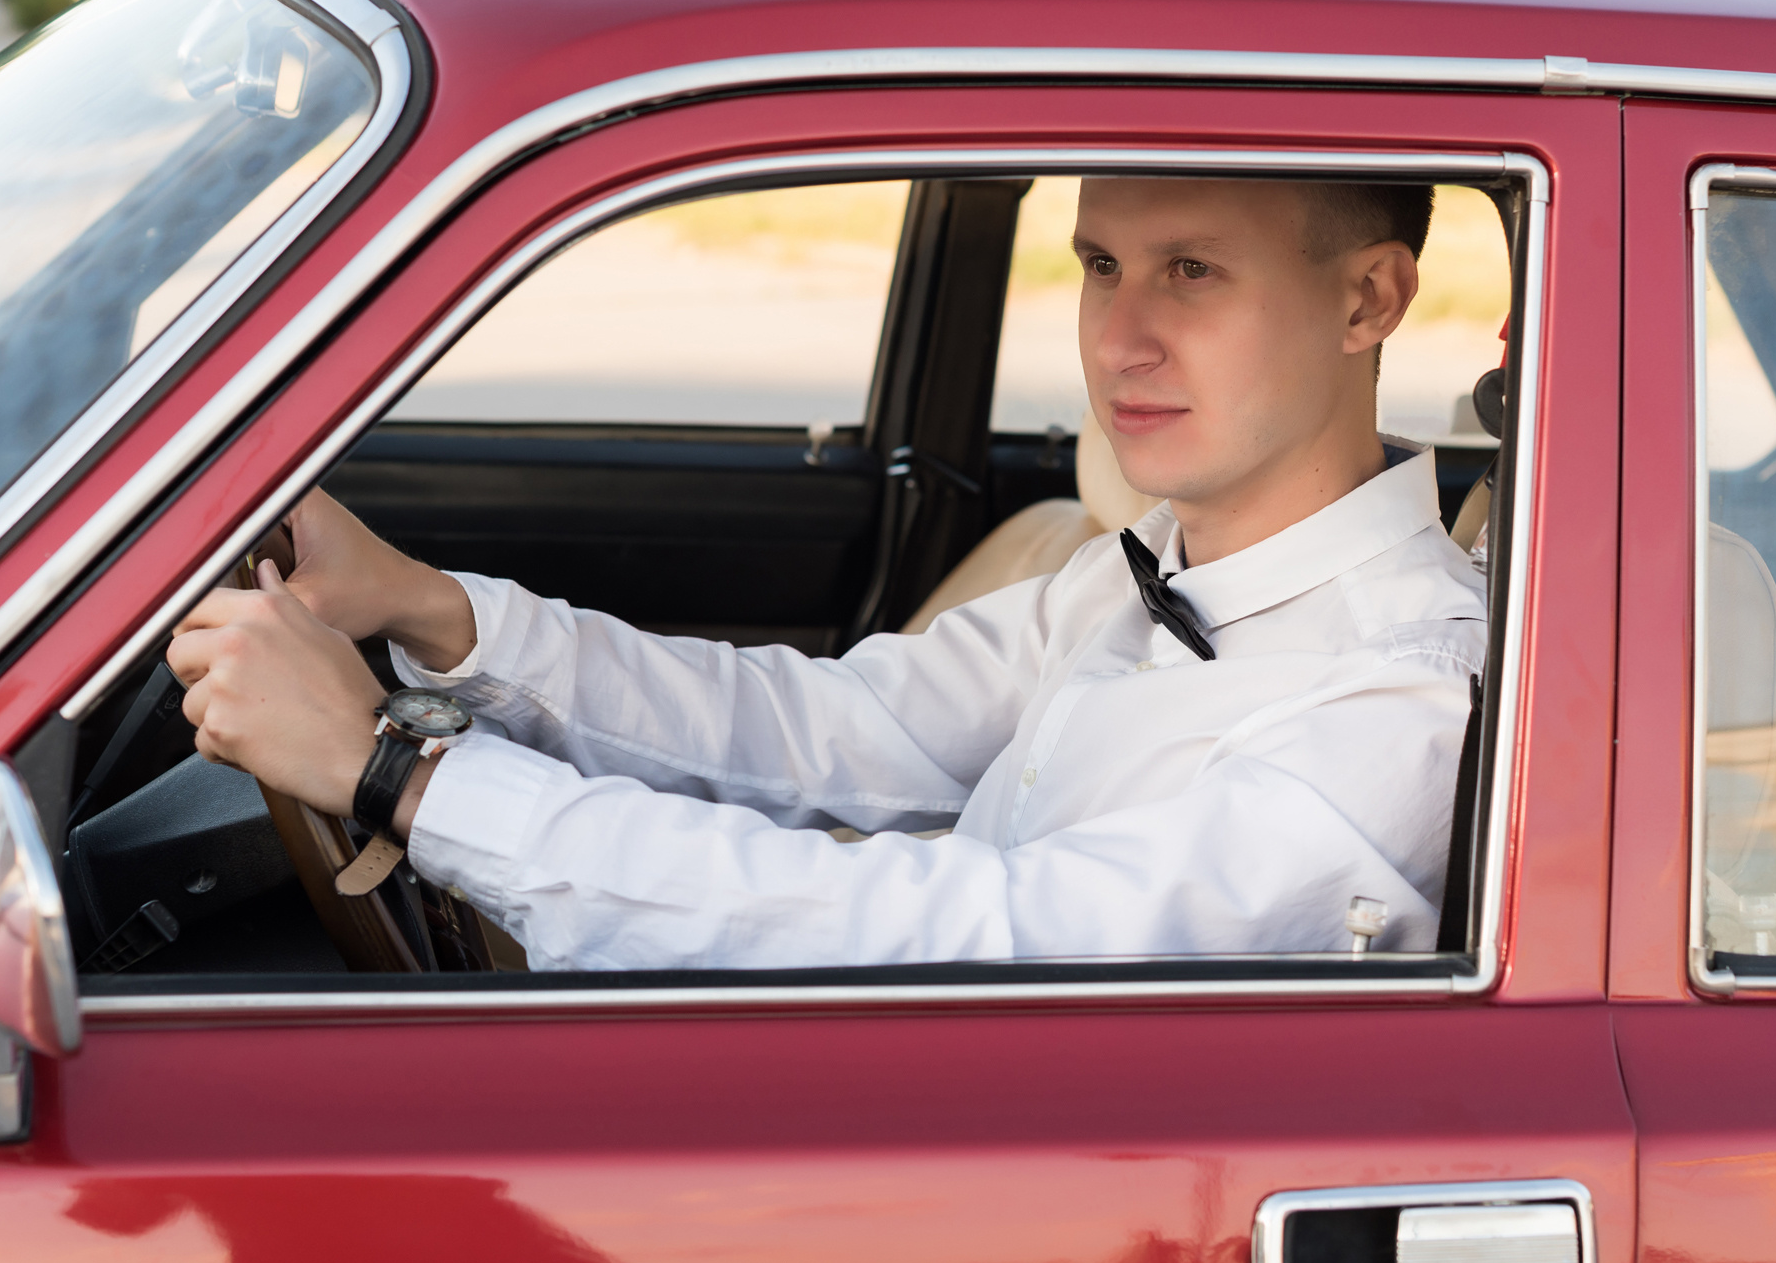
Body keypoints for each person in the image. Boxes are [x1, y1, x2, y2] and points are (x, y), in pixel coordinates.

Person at [167, 176, 1486, 968]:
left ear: (1369, 301)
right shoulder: (1135, 571)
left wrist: (401, 776)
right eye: (1099, 266)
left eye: (1189, 272)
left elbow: (974, 947)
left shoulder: (1400, 704)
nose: (1120, 338)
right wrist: (431, 609)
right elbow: (822, 726)